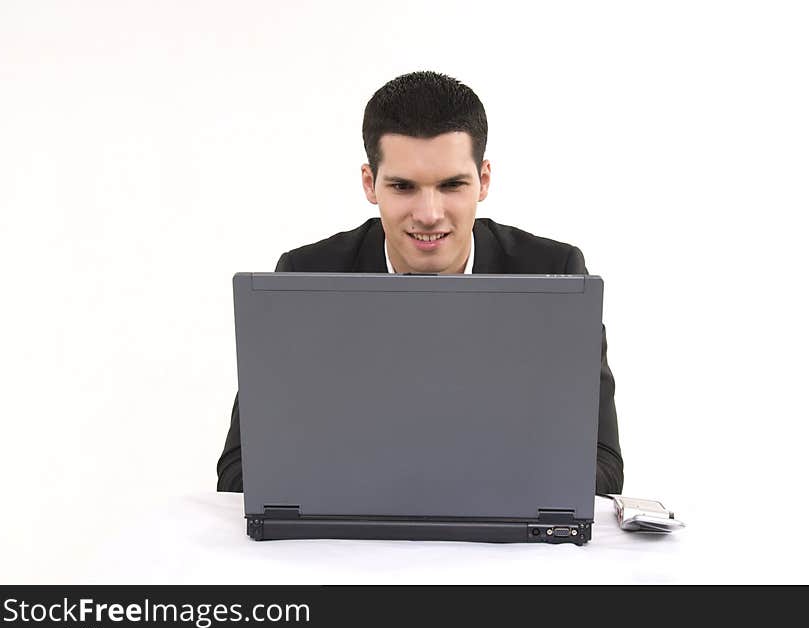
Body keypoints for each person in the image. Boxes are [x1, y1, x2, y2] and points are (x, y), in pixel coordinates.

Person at [217, 71, 624, 494]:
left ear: (483, 181)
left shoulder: (555, 271)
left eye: (451, 185)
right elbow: (240, 472)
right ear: (369, 184)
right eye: (403, 186)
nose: (429, 213)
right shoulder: (305, 276)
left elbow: (602, 466)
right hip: (352, 548)